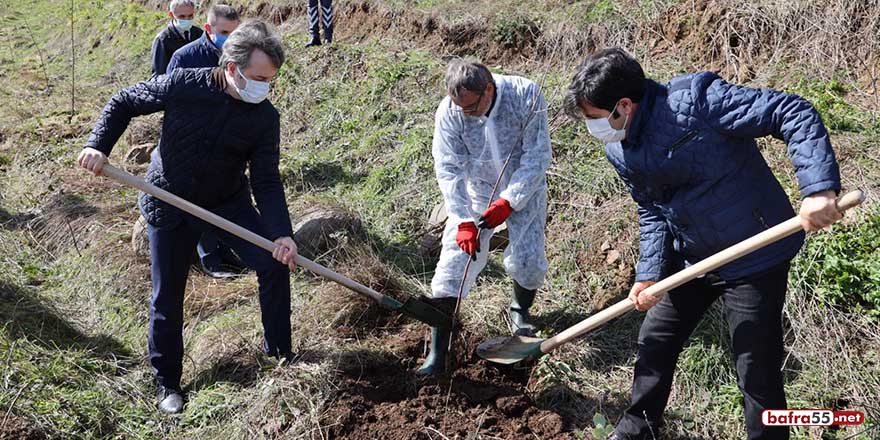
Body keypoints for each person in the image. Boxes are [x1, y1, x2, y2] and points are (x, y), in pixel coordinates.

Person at [564, 47, 843, 440]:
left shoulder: (698, 101)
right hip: (693, 257)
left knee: (755, 366)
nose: (594, 128)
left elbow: (791, 111)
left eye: (594, 118)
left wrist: (818, 188)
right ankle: (635, 430)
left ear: (623, 105)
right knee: (655, 340)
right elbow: (652, 210)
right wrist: (649, 274)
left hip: (754, 252)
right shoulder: (619, 148)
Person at [78, 20, 297, 415]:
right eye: (260, 78)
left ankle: (280, 355)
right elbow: (123, 101)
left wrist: (281, 233)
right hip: (168, 199)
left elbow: (265, 180)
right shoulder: (184, 84)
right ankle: (168, 383)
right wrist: (98, 145)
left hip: (225, 201)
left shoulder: (265, 118)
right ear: (232, 68)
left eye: (272, 81)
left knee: (273, 262)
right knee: (168, 295)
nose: (266, 88)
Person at [420, 59, 552, 375]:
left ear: (488, 90)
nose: (465, 113)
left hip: (525, 186)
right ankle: (438, 354)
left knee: (528, 260)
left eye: (470, 107)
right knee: (451, 267)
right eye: (459, 107)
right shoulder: (449, 113)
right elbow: (448, 168)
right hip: (476, 191)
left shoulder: (526, 95)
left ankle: (520, 311)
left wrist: (511, 200)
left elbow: (538, 155)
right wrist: (464, 218)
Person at [166, 4, 244, 278]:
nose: (230, 38)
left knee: (224, 196)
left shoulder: (241, 58)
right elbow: (171, 102)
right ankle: (210, 259)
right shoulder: (184, 57)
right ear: (209, 29)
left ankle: (228, 252)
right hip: (192, 145)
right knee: (197, 202)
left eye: (235, 32)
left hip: (227, 142)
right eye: (224, 32)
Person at [151, 0, 203, 77]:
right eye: (182, 16)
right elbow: (159, 73)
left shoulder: (199, 34)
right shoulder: (163, 39)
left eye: (190, 16)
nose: (187, 20)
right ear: (171, 15)